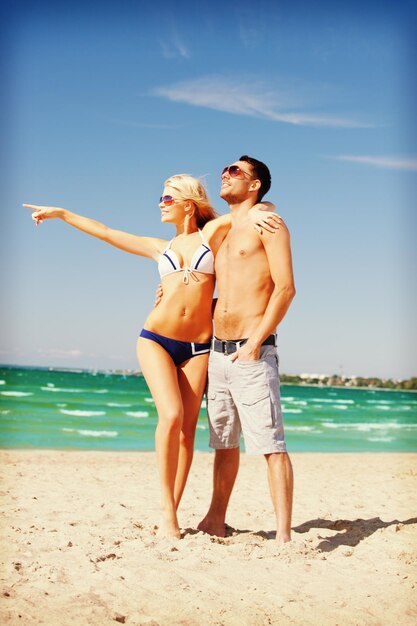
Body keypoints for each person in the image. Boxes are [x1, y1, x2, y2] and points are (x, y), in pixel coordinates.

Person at [23, 173, 280, 539]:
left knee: (187, 432)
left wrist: (265, 208)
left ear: (188, 205)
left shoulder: (213, 235)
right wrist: (63, 213)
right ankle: (166, 512)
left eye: (167, 198)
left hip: (198, 347)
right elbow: (106, 232)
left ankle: (173, 511)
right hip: (156, 339)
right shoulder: (159, 247)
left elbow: (254, 209)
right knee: (171, 415)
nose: (161, 204)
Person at [196, 156, 296, 543]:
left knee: (271, 445)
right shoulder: (223, 232)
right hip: (217, 353)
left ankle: (284, 537)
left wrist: (255, 343)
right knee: (224, 443)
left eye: (235, 171)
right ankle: (215, 520)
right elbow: (225, 289)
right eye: (225, 168)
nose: (225, 173)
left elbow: (286, 288)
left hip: (251, 351)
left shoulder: (269, 223)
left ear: (255, 185)